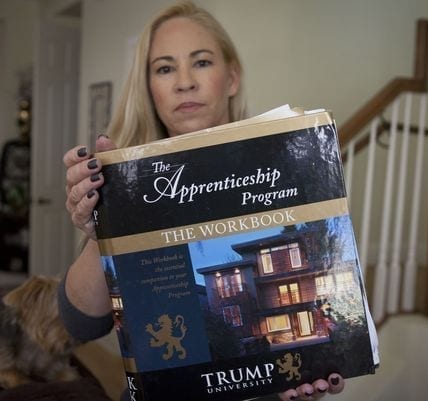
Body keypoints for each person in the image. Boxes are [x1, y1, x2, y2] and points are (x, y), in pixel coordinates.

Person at [60, 2, 345, 401]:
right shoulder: (125, 182)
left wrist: (310, 373)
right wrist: (103, 230)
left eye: (202, 62)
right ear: (149, 87)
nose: (184, 83)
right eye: (165, 68)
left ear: (232, 77)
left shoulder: (280, 171)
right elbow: (81, 324)